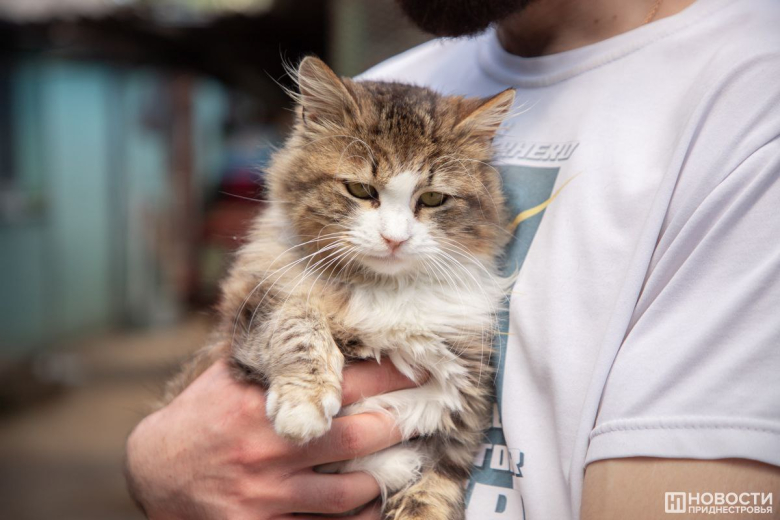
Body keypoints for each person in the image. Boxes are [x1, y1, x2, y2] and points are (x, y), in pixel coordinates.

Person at [125, 0, 780, 518]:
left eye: (431, 201)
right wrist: (156, 464)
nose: (394, 234)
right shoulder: (387, 84)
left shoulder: (750, 104)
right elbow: (245, 316)